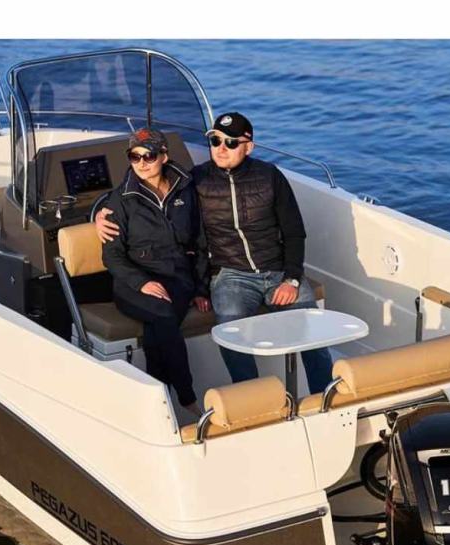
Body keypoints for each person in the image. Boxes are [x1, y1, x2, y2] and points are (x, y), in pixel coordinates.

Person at [96, 113, 333, 395]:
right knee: (230, 335)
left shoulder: (270, 176)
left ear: (248, 146)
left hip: (279, 270)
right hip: (231, 276)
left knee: (312, 333)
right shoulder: (197, 180)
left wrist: (291, 279)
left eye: (231, 143)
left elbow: (294, 232)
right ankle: (253, 398)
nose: (221, 148)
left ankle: (325, 397)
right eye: (215, 141)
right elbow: (134, 195)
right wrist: (98, 215)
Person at [100, 128, 210, 414]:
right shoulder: (120, 199)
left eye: (148, 156)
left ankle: (159, 406)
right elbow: (111, 257)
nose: (141, 163)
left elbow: (200, 242)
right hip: (132, 283)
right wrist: (142, 283)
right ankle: (187, 397)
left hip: (177, 277)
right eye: (134, 156)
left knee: (156, 330)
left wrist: (201, 288)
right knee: (162, 314)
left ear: (164, 156)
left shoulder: (186, 188)